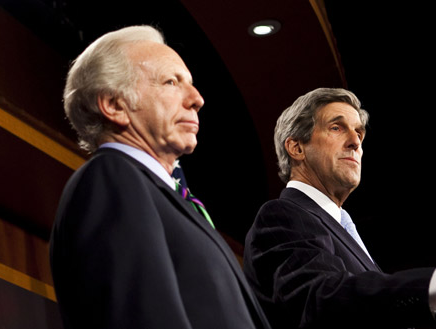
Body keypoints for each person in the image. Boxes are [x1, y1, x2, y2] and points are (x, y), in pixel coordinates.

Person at [243, 87, 436, 328]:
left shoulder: (339, 225)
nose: (355, 142)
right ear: (296, 147)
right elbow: (322, 300)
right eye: (337, 128)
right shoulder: (282, 216)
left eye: (359, 132)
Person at [49, 25, 271, 329]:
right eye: (171, 82)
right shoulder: (111, 179)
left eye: (190, 84)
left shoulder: (159, 194)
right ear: (115, 105)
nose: (197, 99)